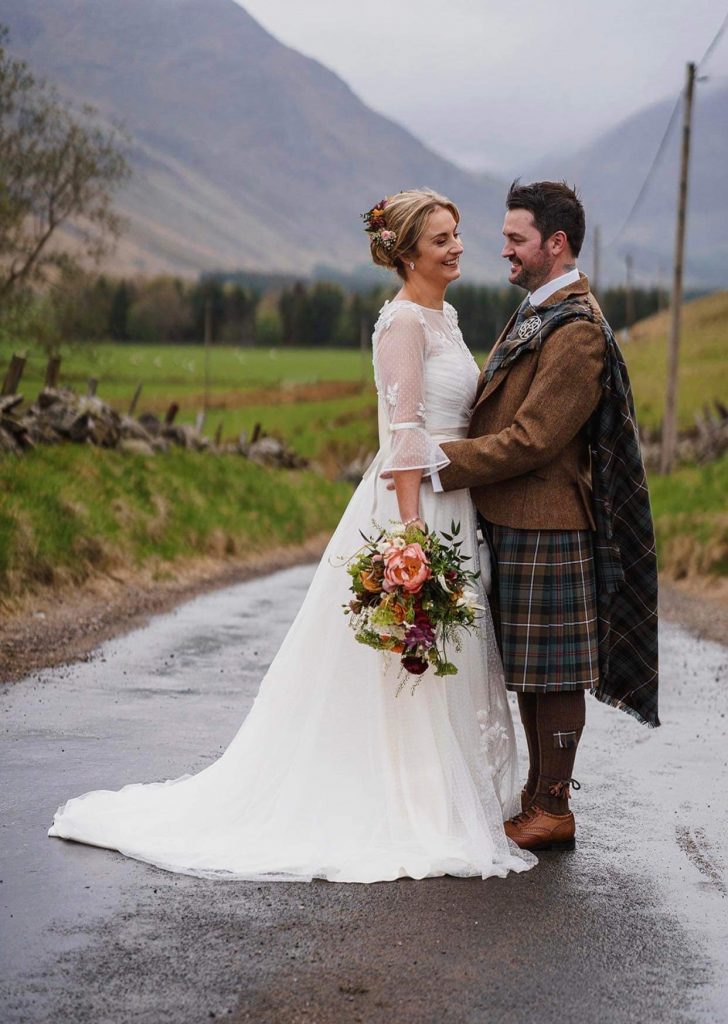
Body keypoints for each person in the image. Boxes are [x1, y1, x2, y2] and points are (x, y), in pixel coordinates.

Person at [48, 188, 535, 883]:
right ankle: (412, 801)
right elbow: (402, 442)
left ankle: (455, 795)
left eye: (457, 234)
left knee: (443, 656)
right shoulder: (402, 324)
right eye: (440, 240)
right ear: (404, 254)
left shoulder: (445, 316)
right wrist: (412, 545)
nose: (457, 246)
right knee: (411, 654)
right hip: (414, 508)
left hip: (453, 500)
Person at [429, 181, 659, 853]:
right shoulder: (542, 310)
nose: (501, 249)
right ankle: (537, 796)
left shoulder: (577, 328)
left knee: (554, 670)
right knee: (529, 667)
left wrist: (446, 462)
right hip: (519, 516)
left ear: (555, 244)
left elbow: (535, 436)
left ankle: (554, 805)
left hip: (550, 519)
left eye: (515, 238)